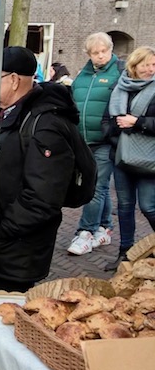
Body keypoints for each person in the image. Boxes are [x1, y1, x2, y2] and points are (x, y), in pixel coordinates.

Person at [0, 47, 80, 292]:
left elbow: (43, 196)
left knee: (8, 312)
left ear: (13, 80)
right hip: (4, 243)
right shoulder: (8, 116)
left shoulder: (45, 125)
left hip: (17, 246)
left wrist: (1, 232)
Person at [66, 32, 123, 256]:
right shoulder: (83, 75)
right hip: (84, 140)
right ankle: (105, 226)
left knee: (96, 187)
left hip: (105, 140)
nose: (100, 56)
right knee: (99, 186)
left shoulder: (119, 72)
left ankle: (85, 232)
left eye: (104, 51)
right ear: (88, 54)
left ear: (110, 49)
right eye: (95, 53)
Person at [105, 45, 155, 271]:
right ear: (134, 66)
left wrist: (137, 123)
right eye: (146, 65)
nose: (151, 69)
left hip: (148, 159)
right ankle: (125, 253)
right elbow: (107, 117)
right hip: (122, 156)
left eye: (154, 65)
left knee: (148, 206)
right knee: (124, 207)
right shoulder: (120, 85)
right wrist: (113, 135)